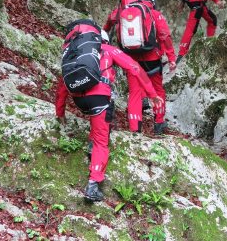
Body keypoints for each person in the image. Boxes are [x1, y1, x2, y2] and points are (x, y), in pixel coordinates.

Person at [55, 27, 163, 202]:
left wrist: (60, 112)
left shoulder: (76, 56)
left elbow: (62, 87)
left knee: (96, 121)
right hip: (99, 98)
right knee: (101, 142)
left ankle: (92, 143)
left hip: (79, 100)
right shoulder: (108, 50)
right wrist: (152, 94)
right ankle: (93, 184)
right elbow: (134, 67)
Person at [103, 0, 177, 134]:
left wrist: (104, 32)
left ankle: (135, 128)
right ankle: (159, 123)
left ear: (139, 0)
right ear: (152, 2)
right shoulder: (155, 14)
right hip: (152, 59)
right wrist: (171, 58)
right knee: (158, 90)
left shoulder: (123, 10)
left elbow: (110, 19)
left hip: (132, 59)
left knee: (135, 93)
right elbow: (165, 36)